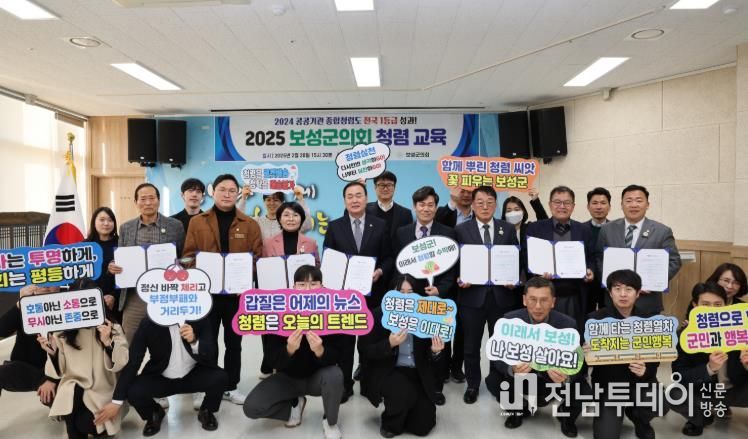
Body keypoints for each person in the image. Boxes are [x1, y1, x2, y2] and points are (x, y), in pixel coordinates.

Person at [182, 174, 263, 405]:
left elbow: (257, 258)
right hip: (206, 295)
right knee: (206, 342)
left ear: (237, 193)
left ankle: (231, 386)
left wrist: (245, 282)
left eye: (231, 190)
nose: (227, 194)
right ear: (213, 192)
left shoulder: (250, 224)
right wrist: (201, 277)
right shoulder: (198, 222)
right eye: (222, 189)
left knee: (234, 343)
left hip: (235, 296)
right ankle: (205, 386)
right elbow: (188, 257)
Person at [243, 266, 344, 439]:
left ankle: (330, 422)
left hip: (317, 378)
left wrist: (320, 351)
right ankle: (294, 406)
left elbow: (339, 354)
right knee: (251, 407)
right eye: (302, 284)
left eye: (313, 284)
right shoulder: (278, 312)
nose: (308, 289)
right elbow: (271, 359)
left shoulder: (332, 313)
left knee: (335, 375)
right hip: (287, 378)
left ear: (322, 286)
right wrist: (288, 350)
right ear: (293, 287)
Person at [485, 277, 585, 438]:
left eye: (544, 300)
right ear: (524, 300)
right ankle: (517, 410)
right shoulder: (509, 320)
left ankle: (566, 417)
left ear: (553, 302)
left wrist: (566, 376)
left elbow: (580, 362)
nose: (538, 306)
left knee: (584, 389)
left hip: (552, 380)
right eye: (533, 299)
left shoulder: (567, 325)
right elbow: (497, 358)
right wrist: (512, 369)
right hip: (523, 377)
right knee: (494, 380)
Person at [95, 316, 227, 437]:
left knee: (221, 378)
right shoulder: (149, 323)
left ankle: (207, 410)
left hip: (193, 374)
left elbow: (211, 351)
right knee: (134, 390)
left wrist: (194, 341)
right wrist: (116, 401)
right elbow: (134, 361)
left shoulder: (198, 316)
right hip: (162, 377)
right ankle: (154, 413)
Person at [323, 181, 393, 402]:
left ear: (366, 198)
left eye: (358, 195)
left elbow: (389, 257)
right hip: (344, 298)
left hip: (373, 294)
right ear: (344, 200)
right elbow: (328, 261)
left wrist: (380, 271)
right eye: (350, 196)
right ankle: (345, 385)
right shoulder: (335, 227)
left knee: (369, 342)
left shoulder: (380, 225)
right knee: (344, 343)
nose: (354, 200)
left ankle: (369, 384)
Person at [38, 278, 129, 439]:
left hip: (103, 390)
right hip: (73, 388)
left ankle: (95, 430)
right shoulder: (62, 331)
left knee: (84, 423)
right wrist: (52, 352)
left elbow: (122, 362)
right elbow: (60, 369)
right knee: (70, 399)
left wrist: (108, 343)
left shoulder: (110, 327)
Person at [358, 274, 445, 438]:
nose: (405, 297)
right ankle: (390, 423)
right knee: (403, 393)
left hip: (417, 370)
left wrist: (435, 351)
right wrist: (389, 344)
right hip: (389, 370)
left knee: (423, 426)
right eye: (400, 292)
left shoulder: (427, 316)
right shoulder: (377, 315)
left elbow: (431, 357)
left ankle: (406, 410)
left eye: (410, 293)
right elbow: (365, 350)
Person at [455, 185, 518, 404]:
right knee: (471, 345)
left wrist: (514, 279)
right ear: (472, 205)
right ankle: (473, 384)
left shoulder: (507, 229)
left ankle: (495, 380)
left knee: (498, 344)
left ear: (495, 205)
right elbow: (456, 262)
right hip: (471, 297)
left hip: (502, 297)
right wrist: (459, 278)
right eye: (480, 202)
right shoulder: (461, 230)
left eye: (490, 202)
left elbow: (515, 258)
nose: (485, 206)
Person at [393, 186, 456, 405]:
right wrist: (402, 290)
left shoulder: (448, 233)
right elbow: (398, 266)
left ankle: (436, 387)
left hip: (436, 299)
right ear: (414, 206)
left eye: (430, 205)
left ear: (436, 207)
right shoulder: (402, 233)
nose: (426, 209)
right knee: (413, 341)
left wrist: (441, 289)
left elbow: (452, 270)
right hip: (410, 297)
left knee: (438, 342)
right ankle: (412, 379)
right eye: (422, 204)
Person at [107, 183, 185, 345]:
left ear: (159, 200)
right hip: (134, 297)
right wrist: (113, 266)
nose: (148, 203)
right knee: (128, 345)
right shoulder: (126, 228)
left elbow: (183, 257)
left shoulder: (175, 226)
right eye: (143, 199)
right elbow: (121, 258)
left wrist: (178, 267)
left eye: (151, 198)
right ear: (136, 202)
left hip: (165, 296)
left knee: (164, 346)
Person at [587, 269, 660, 439]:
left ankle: (639, 418)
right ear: (610, 293)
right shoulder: (595, 320)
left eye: (629, 289)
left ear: (638, 293)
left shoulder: (649, 321)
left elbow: (655, 360)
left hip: (638, 383)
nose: (623, 294)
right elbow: (585, 361)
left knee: (659, 404)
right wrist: (585, 354)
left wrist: (645, 371)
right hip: (609, 385)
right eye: (617, 288)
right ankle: (615, 412)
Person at [670, 282, 748, 436]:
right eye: (705, 305)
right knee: (674, 394)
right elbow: (680, 376)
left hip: (737, 389)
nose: (712, 310)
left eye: (718, 305)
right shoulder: (685, 336)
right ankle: (700, 419)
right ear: (695, 305)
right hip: (705, 392)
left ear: (726, 305)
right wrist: (709, 368)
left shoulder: (742, 330)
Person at [595, 184, 682, 315]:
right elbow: (599, 258)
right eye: (629, 201)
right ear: (622, 205)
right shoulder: (607, 229)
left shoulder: (662, 231)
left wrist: (653, 283)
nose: (634, 205)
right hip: (614, 302)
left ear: (647, 204)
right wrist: (611, 284)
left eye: (639, 200)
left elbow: (674, 261)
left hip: (647, 301)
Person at [259, 201, 320, 378]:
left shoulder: (311, 243)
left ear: (301, 219)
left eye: (295, 215)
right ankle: (274, 367)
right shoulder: (269, 243)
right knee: (275, 334)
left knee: (299, 333)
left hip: (303, 299)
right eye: (286, 215)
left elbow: (317, 268)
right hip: (277, 300)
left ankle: (299, 370)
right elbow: (263, 271)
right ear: (279, 219)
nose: (291, 219)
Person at [525, 186, 595, 331]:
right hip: (544, 295)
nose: (562, 206)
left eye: (567, 203)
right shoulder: (535, 229)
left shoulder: (583, 230)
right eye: (557, 202)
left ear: (573, 206)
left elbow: (591, 257)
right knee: (544, 336)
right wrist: (538, 274)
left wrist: (590, 270)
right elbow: (526, 258)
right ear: (550, 204)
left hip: (574, 296)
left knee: (573, 334)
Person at [433, 187, 472, 384]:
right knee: (445, 324)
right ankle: (443, 365)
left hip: (469, 280)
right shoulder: (444, 212)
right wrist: (452, 202)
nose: (466, 194)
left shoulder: (479, 215)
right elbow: (436, 223)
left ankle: (457, 367)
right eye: (462, 190)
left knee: (463, 328)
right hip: (445, 278)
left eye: (470, 191)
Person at [0, 285, 58, 407]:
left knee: (50, 397)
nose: (45, 286)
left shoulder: (69, 302)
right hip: (26, 368)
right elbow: (2, 330)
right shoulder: (25, 304)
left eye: (51, 281)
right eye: (40, 281)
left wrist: (52, 379)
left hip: (59, 370)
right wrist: (19, 305)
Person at [501, 188, 548, 282]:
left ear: (523, 212)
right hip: (507, 281)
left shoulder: (530, 228)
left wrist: (535, 201)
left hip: (531, 279)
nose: (513, 213)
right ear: (504, 214)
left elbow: (544, 223)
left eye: (517, 209)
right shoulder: (500, 232)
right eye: (509, 210)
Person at [85, 207, 121, 321]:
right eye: (102, 220)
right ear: (94, 222)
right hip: (90, 301)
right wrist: (96, 296)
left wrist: (114, 295)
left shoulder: (121, 244)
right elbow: (79, 278)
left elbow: (128, 275)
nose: (106, 223)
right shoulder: (84, 246)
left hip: (116, 302)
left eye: (110, 220)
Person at [237, 187, 313, 239]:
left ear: (282, 202)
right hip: (262, 258)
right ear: (264, 202)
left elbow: (307, 226)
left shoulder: (288, 222)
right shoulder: (257, 221)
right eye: (268, 200)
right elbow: (238, 223)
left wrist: (300, 199)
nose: (272, 203)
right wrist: (243, 198)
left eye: (276, 200)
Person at [583, 187, 612, 314]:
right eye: (594, 203)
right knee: (585, 316)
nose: (599, 207)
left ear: (609, 207)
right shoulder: (580, 229)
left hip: (609, 284)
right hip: (585, 283)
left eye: (603, 203)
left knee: (608, 317)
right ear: (588, 207)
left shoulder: (617, 230)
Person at [366, 171, 413, 242]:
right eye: (381, 185)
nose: (385, 189)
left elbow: (408, 239)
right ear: (375, 187)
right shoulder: (365, 210)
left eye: (389, 185)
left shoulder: (406, 214)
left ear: (394, 187)